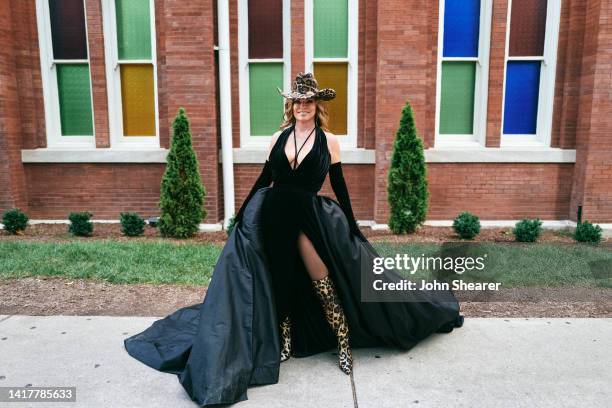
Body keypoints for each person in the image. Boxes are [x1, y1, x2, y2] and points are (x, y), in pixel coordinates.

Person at [124, 72, 464, 407]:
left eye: (309, 101)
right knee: (281, 281)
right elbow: (264, 179)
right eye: (298, 101)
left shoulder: (329, 141)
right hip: (272, 216)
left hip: (306, 219)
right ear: (291, 104)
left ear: (317, 105)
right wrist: (240, 216)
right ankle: (284, 340)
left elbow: (340, 186)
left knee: (322, 279)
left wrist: (353, 224)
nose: (303, 106)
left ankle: (343, 342)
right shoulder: (278, 137)